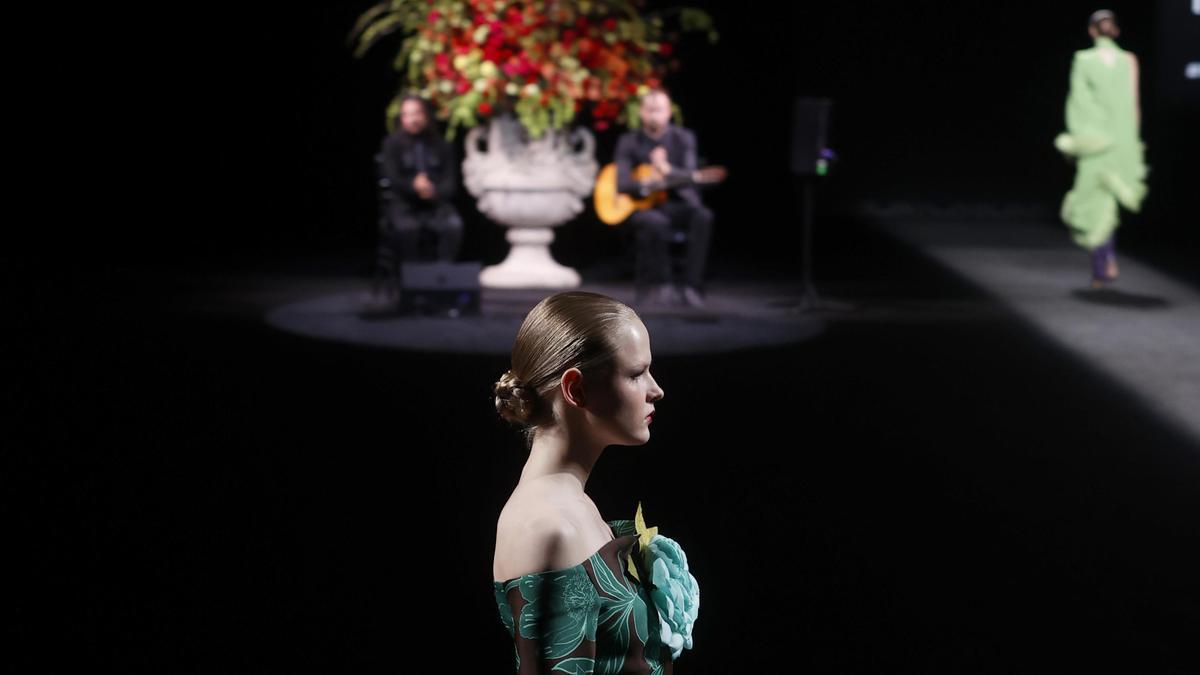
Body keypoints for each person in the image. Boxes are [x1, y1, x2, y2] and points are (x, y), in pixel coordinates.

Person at [492, 291, 698, 674]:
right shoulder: (547, 525)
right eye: (636, 374)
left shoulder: (571, 506)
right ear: (576, 389)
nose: (657, 390)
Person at [1056, 10, 1147, 289]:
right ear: (1115, 31)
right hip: (1122, 141)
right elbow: (1134, 106)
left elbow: (1077, 104)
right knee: (1108, 203)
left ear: (1092, 32)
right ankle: (1105, 262)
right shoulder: (1129, 60)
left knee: (1094, 205)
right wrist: (1134, 143)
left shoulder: (1084, 60)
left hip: (1095, 142)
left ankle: (1101, 266)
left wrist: (1075, 143)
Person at [614, 89, 714, 308]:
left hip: (677, 203)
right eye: (649, 110)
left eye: (659, 110)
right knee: (655, 222)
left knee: (703, 216)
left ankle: (691, 285)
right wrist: (646, 183)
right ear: (641, 113)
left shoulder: (683, 138)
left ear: (669, 112)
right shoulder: (629, 141)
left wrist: (667, 169)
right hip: (645, 208)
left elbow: (690, 175)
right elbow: (621, 183)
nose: (653, 115)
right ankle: (663, 284)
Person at [374, 94, 464, 290]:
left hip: (435, 203)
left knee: (453, 225)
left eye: (416, 113)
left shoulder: (442, 144)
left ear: (426, 115)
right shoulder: (392, 143)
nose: (412, 119)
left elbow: (450, 182)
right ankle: (412, 285)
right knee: (407, 229)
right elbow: (391, 177)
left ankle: (441, 279)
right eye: (407, 115)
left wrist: (432, 191)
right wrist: (413, 185)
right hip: (404, 203)